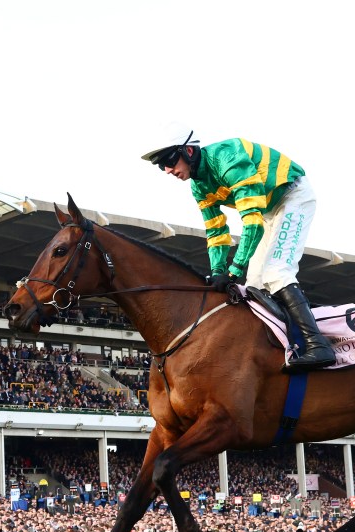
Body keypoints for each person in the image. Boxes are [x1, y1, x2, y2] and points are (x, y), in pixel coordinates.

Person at [141, 125, 336, 373]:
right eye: (161, 166)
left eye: (169, 161)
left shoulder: (227, 156)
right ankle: (281, 347)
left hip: (292, 195)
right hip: (268, 211)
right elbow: (216, 232)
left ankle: (318, 344)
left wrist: (233, 270)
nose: (167, 170)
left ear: (188, 151)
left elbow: (251, 220)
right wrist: (217, 271)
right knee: (254, 284)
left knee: (277, 271)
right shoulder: (198, 186)